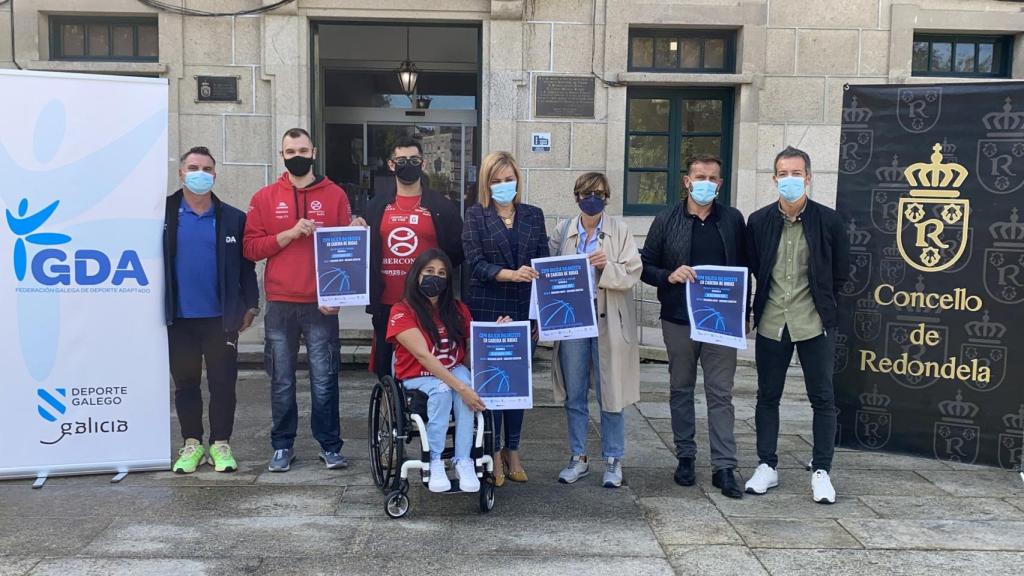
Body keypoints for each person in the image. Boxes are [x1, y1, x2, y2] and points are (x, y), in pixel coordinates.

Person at [243, 128, 352, 473]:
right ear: (282, 155)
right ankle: (282, 445)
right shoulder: (264, 197)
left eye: (303, 149)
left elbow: (345, 251)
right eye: (290, 151)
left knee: (324, 378)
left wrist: (338, 295)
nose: (297, 156)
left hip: (320, 304)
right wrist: (288, 235)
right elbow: (251, 248)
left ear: (314, 152)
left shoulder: (334, 195)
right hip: (279, 301)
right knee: (281, 379)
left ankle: (330, 446)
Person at [744, 146, 849, 504]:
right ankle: (766, 466)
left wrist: (824, 307)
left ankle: (821, 470)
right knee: (767, 396)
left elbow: (840, 274)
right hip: (773, 321)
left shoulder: (829, 221)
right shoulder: (759, 221)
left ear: (808, 177)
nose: (790, 179)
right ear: (774, 178)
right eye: (783, 173)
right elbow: (754, 267)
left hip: (813, 322)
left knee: (822, 397)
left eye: (796, 173)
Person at [640, 153, 747, 499]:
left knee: (720, 393)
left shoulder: (732, 220)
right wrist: (668, 275)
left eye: (712, 178)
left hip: (721, 323)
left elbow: (744, 268)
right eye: (699, 177)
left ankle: (724, 466)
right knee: (681, 389)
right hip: (679, 318)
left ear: (720, 184)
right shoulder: (666, 218)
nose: (705, 183)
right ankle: (685, 456)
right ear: (686, 181)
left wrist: (743, 314)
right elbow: (644, 265)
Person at [164, 146, 259, 474]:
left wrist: (252, 303)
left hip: (221, 319)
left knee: (222, 384)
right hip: (180, 319)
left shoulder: (233, 217)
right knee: (186, 384)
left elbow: (247, 266)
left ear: (214, 175)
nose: (199, 173)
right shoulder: (163, 215)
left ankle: (220, 444)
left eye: (206, 168)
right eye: (193, 167)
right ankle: (191, 444)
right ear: (181, 173)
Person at [462, 151, 549, 486]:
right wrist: (509, 275)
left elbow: (543, 263)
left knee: (517, 388)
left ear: (517, 180)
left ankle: (514, 450)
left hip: (524, 310)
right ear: (486, 183)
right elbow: (474, 262)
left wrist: (540, 317)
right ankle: (494, 454)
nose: (503, 186)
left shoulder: (533, 215)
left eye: (508, 179)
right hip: (487, 308)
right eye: (496, 181)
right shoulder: (475, 215)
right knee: (492, 386)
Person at [550, 172, 642, 488]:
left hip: (608, 321)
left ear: (607, 197)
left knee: (610, 393)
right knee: (574, 393)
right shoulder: (563, 231)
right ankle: (578, 457)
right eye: (587, 192)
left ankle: (614, 459)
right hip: (572, 321)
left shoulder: (620, 230)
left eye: (599, 192)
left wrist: (606, 266)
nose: (593, 198)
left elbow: (633, 273)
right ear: (576, 196)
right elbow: (549, 276)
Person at [387, 249, 496, 493]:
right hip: (417, 375)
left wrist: (498, 334)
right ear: (417, 275)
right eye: (429, 272)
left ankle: (463, 459)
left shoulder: (457, 309)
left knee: (465, 381)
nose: (435, 277)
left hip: (453, 369)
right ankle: (434, 460)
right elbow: (423, 356)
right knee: (445, 389)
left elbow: (469, 353)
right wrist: (461, 388)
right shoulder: (401, 311)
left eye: (442, 273)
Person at [363, 137, 464, 380]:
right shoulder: (376, 206)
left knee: (430, 364)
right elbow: (364, 250)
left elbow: (457, 252)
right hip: (388, 302)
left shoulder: (442, 207)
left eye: (414, 160)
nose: (408, 164)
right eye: (401, 160)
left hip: (429, 303)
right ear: (391, 164)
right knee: (386, 369)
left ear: (423, 164)